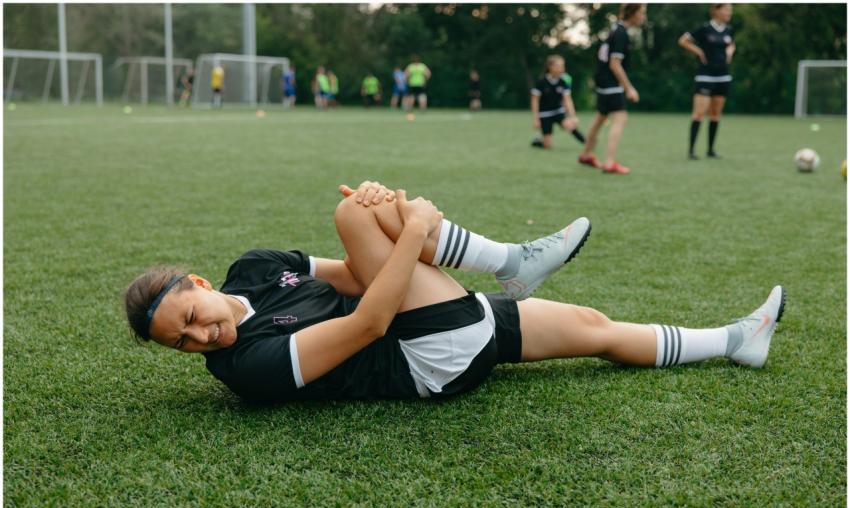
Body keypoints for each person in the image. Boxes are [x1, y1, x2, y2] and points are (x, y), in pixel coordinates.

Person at [125, 181, 785, 404]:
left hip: (430, 319)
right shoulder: (246, 369)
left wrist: (395, 224)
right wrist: (408, 225)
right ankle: (508, 261)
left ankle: (737, 341)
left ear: (202, 285)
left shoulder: (257, 267)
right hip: (422, 359)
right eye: (182, 344)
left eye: (191, 317)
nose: (200, 338)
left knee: (594, 325)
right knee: (355, 213)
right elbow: (371, 320)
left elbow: (359, 278)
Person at [579, 3, 646, 174]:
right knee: (620, 119)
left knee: (600, 119)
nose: (644, 17)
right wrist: (629, 88)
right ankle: (609, 163)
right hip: (611, 84)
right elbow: (615, 64)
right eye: (642, 13)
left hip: (603, 83)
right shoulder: (621, 34)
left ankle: (586, 154)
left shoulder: (615, 29)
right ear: (633, 14)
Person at [679, 4, 735, 159]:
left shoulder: (728, 30)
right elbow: (683, 40)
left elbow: (731, 44)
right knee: (698, 113)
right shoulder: (704, 29)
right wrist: (698, 51)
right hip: (705, 76)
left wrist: (730, 51)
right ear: (716, 11)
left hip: (723, 77)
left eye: (730, 10)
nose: (729, 13)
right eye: (726, 9)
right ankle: (691, 151)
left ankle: (710, 150)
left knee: (715, 114)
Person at [530, 55, 586, 150]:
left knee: (570, 126)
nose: (562, 68)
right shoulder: (541, 82)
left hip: (558, 112)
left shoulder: (563, 82)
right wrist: (536, 118)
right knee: (548, 146)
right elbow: (535, 100)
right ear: (550, 67)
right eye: (558, 66)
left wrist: (573, 116)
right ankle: (538, 141)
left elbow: (567, 100)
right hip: (545, 114)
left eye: (563, 66)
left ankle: (587, 143)